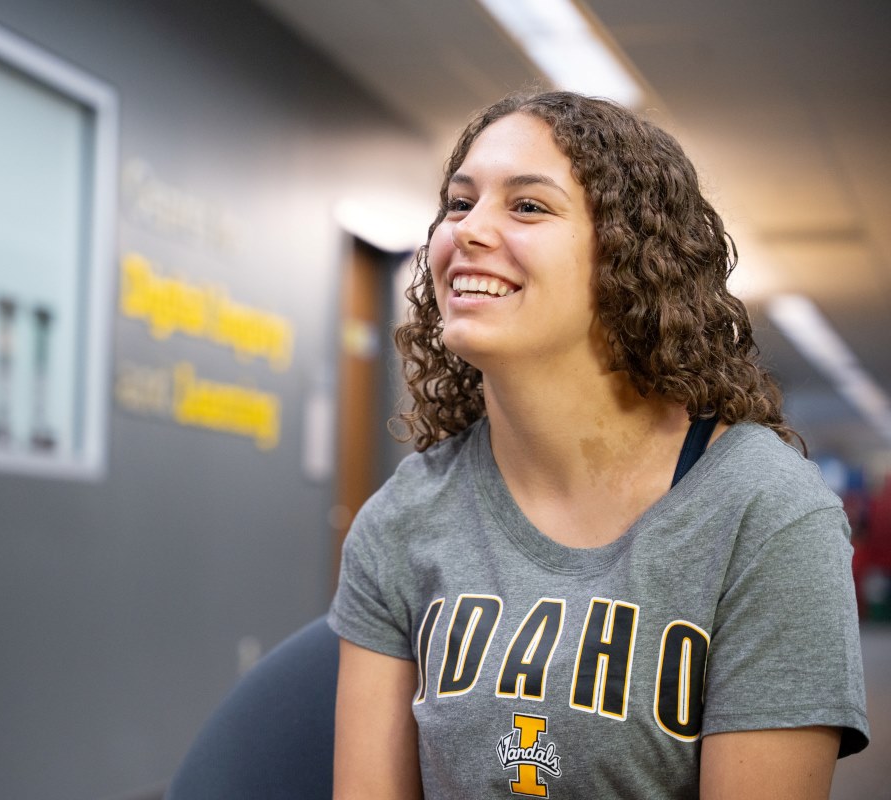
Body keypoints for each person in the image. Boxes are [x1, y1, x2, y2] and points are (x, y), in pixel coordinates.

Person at [329, 90, 869, 799]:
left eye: (527, 206)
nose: (467, 230)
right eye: (459, 204)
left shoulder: (765, 515)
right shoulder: (403, 517)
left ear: (630, 260)